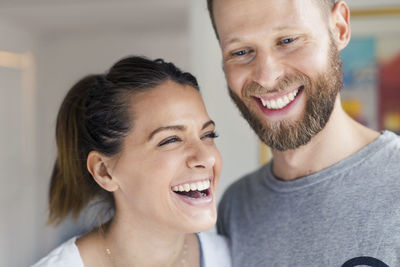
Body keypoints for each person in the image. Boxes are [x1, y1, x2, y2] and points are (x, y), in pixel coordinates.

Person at [206, 0, 400, 266]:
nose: (266, 76)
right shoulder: (237, 207)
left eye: (287, 40)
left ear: (339, 28)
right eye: (240, 52)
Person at [32, 56, 231, 267]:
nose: (207, 157)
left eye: (208, 135)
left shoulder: (236, 257)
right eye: (171, 139)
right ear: (104, 172)